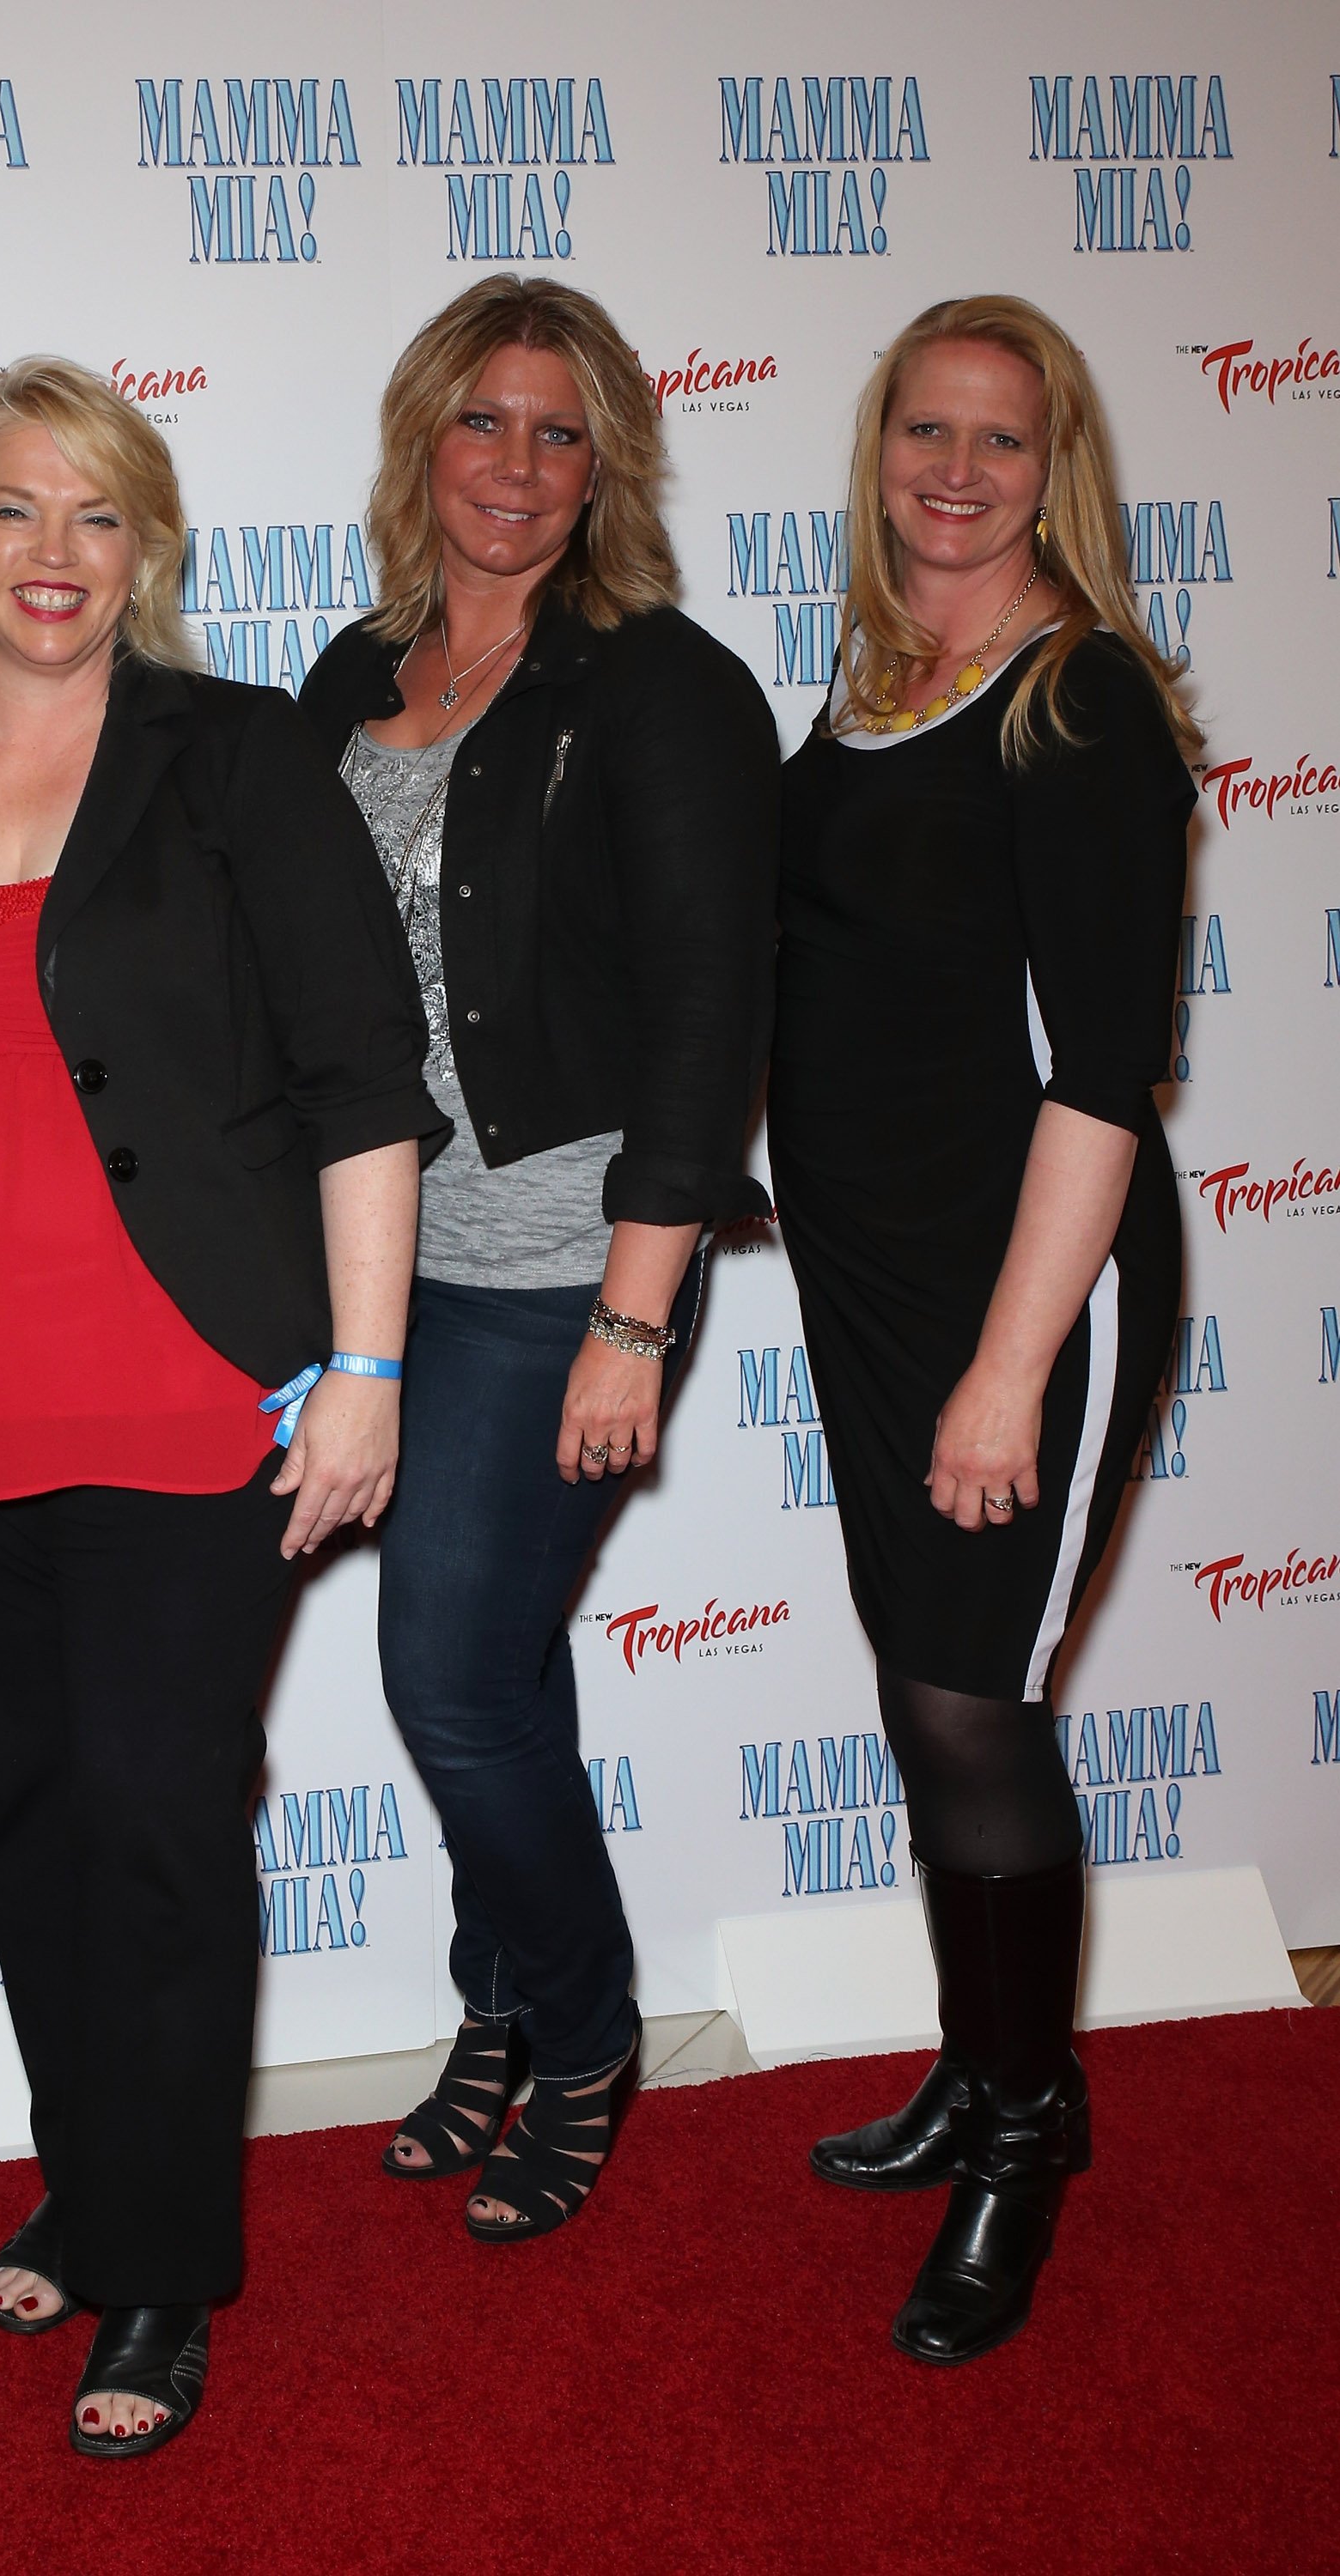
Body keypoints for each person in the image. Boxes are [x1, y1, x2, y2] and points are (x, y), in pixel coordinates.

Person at [0, 358, 442, 2458]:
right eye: (15, 508)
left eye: (97, 514)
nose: (53, 554)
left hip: (179, 1390)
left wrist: (366, 1371)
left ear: (144, 547)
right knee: (31, 1812)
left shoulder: (232, 760)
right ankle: (94, 2175)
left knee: (157, 1819)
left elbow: (362, 1080)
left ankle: (161, 2273)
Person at [297, 275, 778, 2242]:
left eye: (557, 431)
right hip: (374, 1269)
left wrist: (631, 1322)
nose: (514, 463)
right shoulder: (350, 672)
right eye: (481, 421)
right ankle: (500, 2005)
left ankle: (577, 2034)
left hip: (564, 1262)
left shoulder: (662, 687)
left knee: (450, 1675)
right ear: (423, 441)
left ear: (606, 467)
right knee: (487, 1670)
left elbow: (710, 1018)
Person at [770, 295, 1198, 2364]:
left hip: (1024, 1295)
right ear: (877, 453)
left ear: (1055, 472)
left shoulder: (1078, 699)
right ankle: (977, 2068)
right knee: (922, 1682)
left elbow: (1101, 1074)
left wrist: (1011, 1369)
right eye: (922, 431)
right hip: (871, 1288)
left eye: (998, 440)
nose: (954, 471)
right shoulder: (869, 686)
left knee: (970, 1710)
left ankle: (1026, 2144)